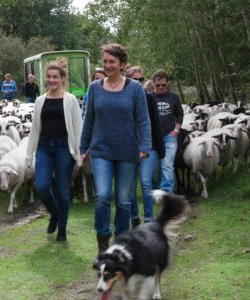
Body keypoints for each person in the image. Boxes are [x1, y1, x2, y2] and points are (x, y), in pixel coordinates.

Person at [80, 44, 151, 256]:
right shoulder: (94, 87)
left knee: (123, 200)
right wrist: (84, 148)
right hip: (101, 150)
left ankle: (121, 242)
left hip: (128, 151)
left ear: (122, 64)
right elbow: (88, 120)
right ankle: (103, 240)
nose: (108, 65)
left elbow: (143, 120)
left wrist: (145, 146)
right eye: (105, 62)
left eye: (112, 62)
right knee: (102, 195)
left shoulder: (135, 89)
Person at [26, 63, 82, 241]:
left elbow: (77, 127)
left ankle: (62, 229)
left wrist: (80, 153)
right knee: (41, 186)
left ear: (63, 79)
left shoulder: (71, 100)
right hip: (44, 147)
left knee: (62, 190)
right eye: (49, 77)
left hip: (64, 148)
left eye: (55, 77)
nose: (51, 80)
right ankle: (55, 214)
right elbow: (35, 128)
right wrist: (29, 153)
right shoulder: (40, 100)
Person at [125, 66, 165, 228]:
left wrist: (160, 148)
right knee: (130, 185)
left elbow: (156, 124)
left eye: (141, 79)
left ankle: (148, 220)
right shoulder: (123, 97)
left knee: (146, 181)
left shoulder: (149, 98)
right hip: (128, 147)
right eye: (135, 79)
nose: (139, 82)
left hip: (148, 147)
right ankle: (135, 216)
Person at [151, 69, 183, 192]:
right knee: (154, 169)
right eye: (158, 85)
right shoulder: (148, 97)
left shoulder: (174, 97)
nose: (161, 87)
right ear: (153, 83)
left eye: (163, 85)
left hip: (169, 137)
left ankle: (167, 193)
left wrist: (176, 130)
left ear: (167, 83)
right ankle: (156, 190)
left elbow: (180, 114)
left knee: (167, 165)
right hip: (153, 139)